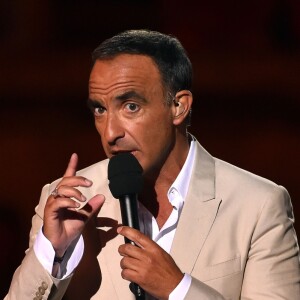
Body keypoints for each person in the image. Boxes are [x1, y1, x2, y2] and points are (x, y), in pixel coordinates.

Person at [6, 29, 300, 300]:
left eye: (131, 106)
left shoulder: (258, 205)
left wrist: (179, 289)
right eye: (100, 109)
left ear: (178, 106)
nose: (110, 133)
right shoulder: (66, 202)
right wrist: (51, 252)